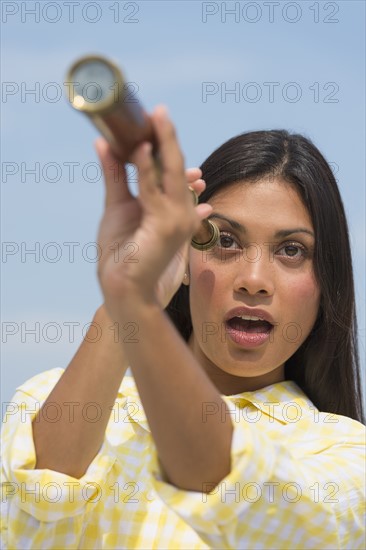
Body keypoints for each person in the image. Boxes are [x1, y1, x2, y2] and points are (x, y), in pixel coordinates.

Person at [1, 106, 365, 550]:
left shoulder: (345, 455)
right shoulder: (50, 400)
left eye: (291, 250)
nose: (254, 280)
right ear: (186, 257)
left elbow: (233, 491)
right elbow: (38, 503)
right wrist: (128, 296)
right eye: (225, 241)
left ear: (326, 282)